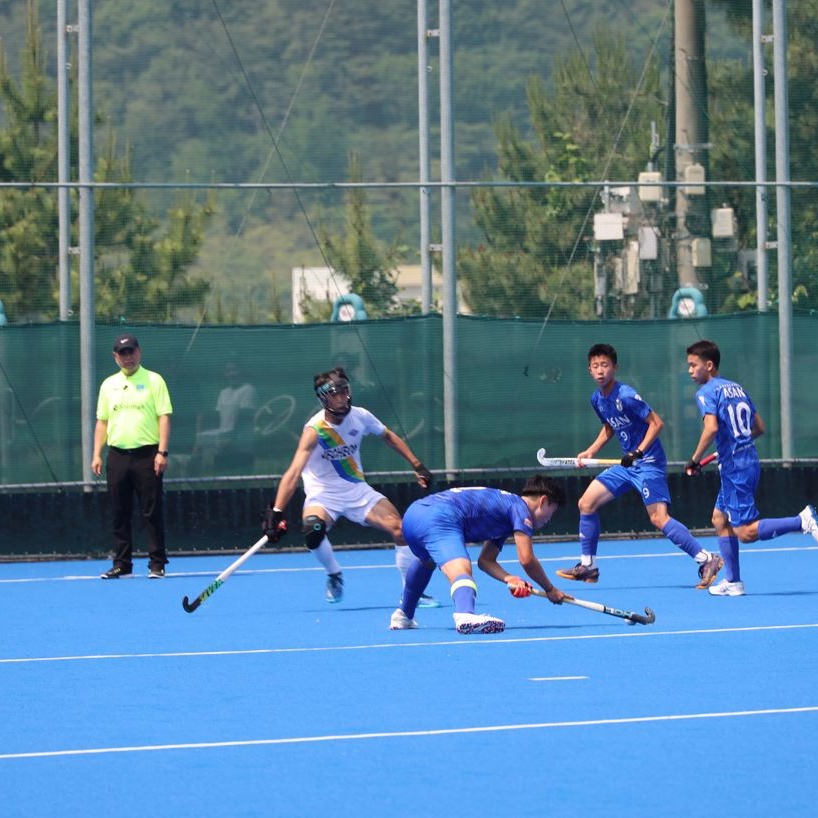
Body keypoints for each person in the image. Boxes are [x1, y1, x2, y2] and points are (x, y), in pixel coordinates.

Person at [262, 366, 436, 604]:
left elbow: (388, 436)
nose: (343, 397)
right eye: (336, 393)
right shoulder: (315, 430)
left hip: (357, 489)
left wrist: (417, 465)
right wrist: (277, 512)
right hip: (323, 494)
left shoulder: (361, 416)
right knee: (313, 530)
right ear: (324, 398)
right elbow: (293, 473)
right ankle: (334, 574)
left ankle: (411, 592)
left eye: (345, 391)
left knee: (400, 529)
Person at [556, 343, 723, 588]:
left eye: (605, 365)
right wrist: (591, 451)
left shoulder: (625, 395)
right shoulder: (597, 399)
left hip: (648, 462)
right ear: (589, 371)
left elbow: (657, 423)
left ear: (614, 367)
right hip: (627, 464)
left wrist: (638, 451)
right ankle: (588, 567)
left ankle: (707, 559)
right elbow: (609, 427)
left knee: (658, 518)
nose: (600, 371)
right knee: (586, 503)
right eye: (595, 366)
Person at [685, 339, 818, 596]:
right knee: (719, 518)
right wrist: (734, 445)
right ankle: (733, 582)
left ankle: (802, 520)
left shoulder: (705, 393)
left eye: (694, 365)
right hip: (746, 461)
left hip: (736, 468)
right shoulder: (737, 388)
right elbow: (759, 428)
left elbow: (711, 428)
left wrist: (694, 459)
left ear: (709, 365)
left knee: (745, 532)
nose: (690, 371)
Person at [389, 475, 569, 634]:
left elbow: (486, 561)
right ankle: (465, 615)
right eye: (551, 512)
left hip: (414, 515)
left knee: (426, 561)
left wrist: (510, 579)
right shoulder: (520, 509)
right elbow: (526, 559)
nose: (549, 519)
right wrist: (550, 589)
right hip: (439, 516)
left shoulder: (505, 513)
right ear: (543, 501)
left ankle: (404, 615)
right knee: (461, 569)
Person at [92, 334, 173, 579]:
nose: (128, 357)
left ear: (139, 352)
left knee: (151, 510)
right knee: (119, 511)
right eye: (122, 353)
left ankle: (157, 563)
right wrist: (96, 454)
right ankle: (122, 564)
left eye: (131, 352)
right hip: (117, 456)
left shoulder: (154, 380)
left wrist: (162, 452)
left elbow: (164, 417)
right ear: (115, 357)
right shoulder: (108, 385)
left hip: (147, 455)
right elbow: (102, 422)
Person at [193, 360, 258, 468]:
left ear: (241, 371)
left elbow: (244, 417)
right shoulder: (223, 393)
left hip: (242, 449)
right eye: (228, 371)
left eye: (234, 370)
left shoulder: (248, 390)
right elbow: (218, 418)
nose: (231, 374)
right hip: (222, 448)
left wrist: (231, 439)